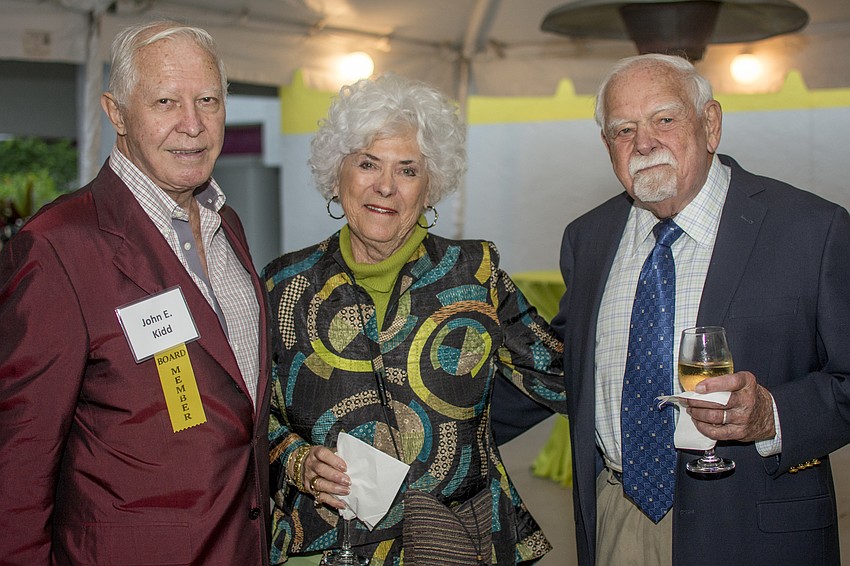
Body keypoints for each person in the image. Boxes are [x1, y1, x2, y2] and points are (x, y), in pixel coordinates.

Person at [493, 52, 850, 565]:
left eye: (665, 118)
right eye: (623, 129)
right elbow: (561, 368)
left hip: (757, 530)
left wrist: (772, 415)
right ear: (607, 145)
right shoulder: (588, 239)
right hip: (619, 516)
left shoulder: (810, 229)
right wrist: (427, 428)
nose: (644, 142)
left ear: (710, 124)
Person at [263, 73, 567, 565]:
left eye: (407, 170)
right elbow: (249, 417)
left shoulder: (474, 275)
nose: (385, 186)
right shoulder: (284, 285)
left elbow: (565, 376)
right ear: (336, 174)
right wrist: (297, 461)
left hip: (458, 540)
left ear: (430, 188)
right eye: (367, 163)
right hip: (327, 545)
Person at [0, 21, 271, 565]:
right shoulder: (58, 246)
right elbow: (18, 468)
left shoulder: (226, 224)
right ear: (116, 112)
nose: (192, 125)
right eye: (166, 101)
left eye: (207, 100)